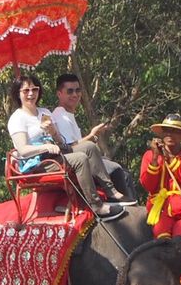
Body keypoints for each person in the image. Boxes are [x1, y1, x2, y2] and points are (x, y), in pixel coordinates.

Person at [6, 74, 122, 219]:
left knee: (89, 146)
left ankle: (110, 190)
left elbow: (61, 142)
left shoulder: (44, 112)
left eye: (34, 89)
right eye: (26, 90)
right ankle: (96, 205)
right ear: (18, 94)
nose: (31, 94)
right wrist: (46, 147)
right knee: (79, 158)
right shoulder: (17, 118)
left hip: (56, 154)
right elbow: (23, 150)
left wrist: (53, 132)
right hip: (38, 163)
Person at [50, 73, 138, 206]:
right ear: (59, 94)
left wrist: (94, 136)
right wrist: (91, 136)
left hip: (81, 156)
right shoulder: (60, 115)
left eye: (78, 90)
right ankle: (121, 203)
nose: (75, 94)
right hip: (73, 160)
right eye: (70, 91)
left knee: (118, 168)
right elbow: (69, 147)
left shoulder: (68, 114)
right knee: (117, 170)